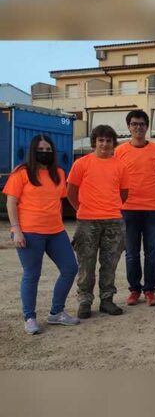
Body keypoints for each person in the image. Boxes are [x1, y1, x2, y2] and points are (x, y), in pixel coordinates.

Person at [4, 135, 80, 334]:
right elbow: (11, 202)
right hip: (29, 233)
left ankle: (57, 312)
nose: (44, 153)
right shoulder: (21, 173)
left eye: (48, 150)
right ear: (33, 151)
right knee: (32, 275)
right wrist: (16, 230)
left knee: (70, 268)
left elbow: (59, 201)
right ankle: (29, 317)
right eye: (41, 149)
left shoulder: (59, 174)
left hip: (56, 232)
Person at [67, 125, 130, 318]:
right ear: (94, 142)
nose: (104, 144)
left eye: (108, 140)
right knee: (86, 263)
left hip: (113, 220)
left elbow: (124, 193)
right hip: (87, 221)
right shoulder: (81, 164)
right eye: (101, 140)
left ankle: (107, 300)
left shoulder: (120, 165)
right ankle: (85, 301)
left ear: (113, 143)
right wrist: (82, 209)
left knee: (110, 262)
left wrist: (111, 208)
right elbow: (71, 191)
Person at [114, 110, 155, 307]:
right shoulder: (119, 152)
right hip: (128, 209)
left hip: (154, 209)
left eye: (142, 124)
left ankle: (150, 290)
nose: (138, 127)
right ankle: (135, 289)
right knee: (131, 252)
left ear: (147, 127)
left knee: (152, 252)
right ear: (128, 126)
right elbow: (114, 180)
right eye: (134, 124)